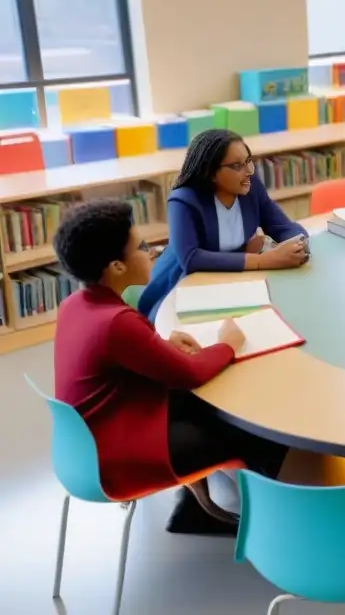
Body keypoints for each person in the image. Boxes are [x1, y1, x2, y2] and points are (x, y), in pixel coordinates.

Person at [52, 200, 289, 534]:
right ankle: (278, 524)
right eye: (142, 246)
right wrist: (228, 344)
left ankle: (226, 499)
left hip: (88, 443)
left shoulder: (77, 305)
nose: (154, 251)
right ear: (117, 267)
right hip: (117, 458)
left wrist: (160, 346)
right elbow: (190, 374)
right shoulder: (117, 323)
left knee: (215, 407)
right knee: (257, 431)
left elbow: (128, 355)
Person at [138, 129, 308, 320]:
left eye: (248, 161)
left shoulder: (251, 187)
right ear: (211, 172)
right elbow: (192, 259)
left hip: (233, 275)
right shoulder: (183, 201)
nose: (249, 172)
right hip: (184, 281)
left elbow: (282, 227)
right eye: (237, 166)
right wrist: (265, 260)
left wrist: (299, 244)